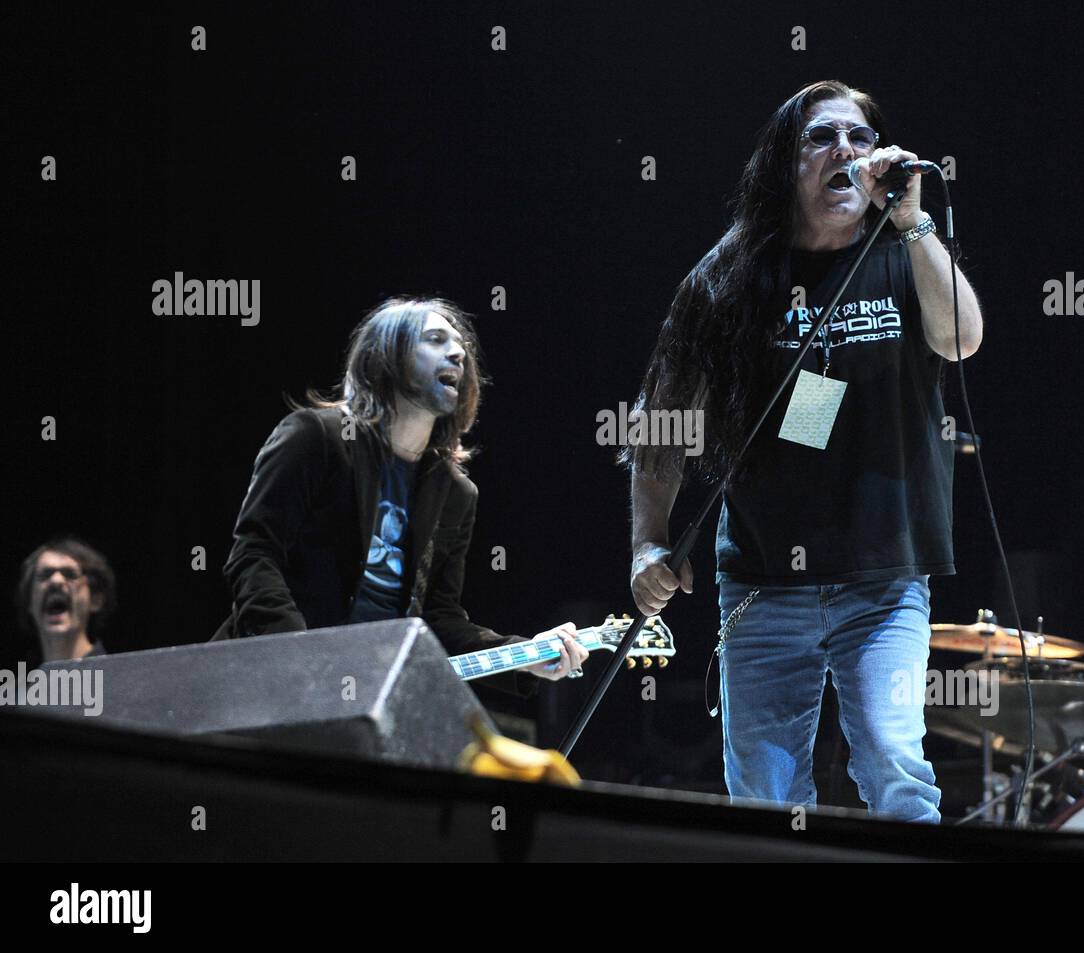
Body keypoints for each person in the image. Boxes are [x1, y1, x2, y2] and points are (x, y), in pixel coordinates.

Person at [626, 81, 983, 821]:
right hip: (763, 583)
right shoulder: (730, 276)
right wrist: (646, 543)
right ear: (784, 165)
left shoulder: (904, 249)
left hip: (884, 578)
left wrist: (915, 223)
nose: (845, 152)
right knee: (765, 795)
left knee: (895, 765)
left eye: (860, 138)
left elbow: (960, 339)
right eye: (821, 138)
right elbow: (662, 419)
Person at [212, 297, 587, 685]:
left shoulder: (456, 494)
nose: (458, 352)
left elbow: (439, 621)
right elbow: (255, 555)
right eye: (435, 339)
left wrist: (523, 654)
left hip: (369, 695)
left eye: (462, 345)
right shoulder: (317, 437)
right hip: (267, 680)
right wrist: (297, 656)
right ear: (387, 355)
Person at [13, 537, 117, 663]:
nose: (56, 581)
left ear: (95, 600)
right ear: (29, 601)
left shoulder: (124, 677)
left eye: (70, 574)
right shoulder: (22, 683)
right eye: (45, 575)